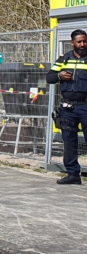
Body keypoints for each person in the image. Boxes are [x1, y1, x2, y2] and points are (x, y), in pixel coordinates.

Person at [46, 29, 87, 185]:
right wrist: (59, 76)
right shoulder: (64, 59)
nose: (82, 44)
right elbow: (49, 78)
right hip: (68, 109)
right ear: (72, 43)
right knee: (69, 142)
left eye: (84, 41)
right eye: (79, 42)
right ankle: (73, 175)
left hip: (85, 106)